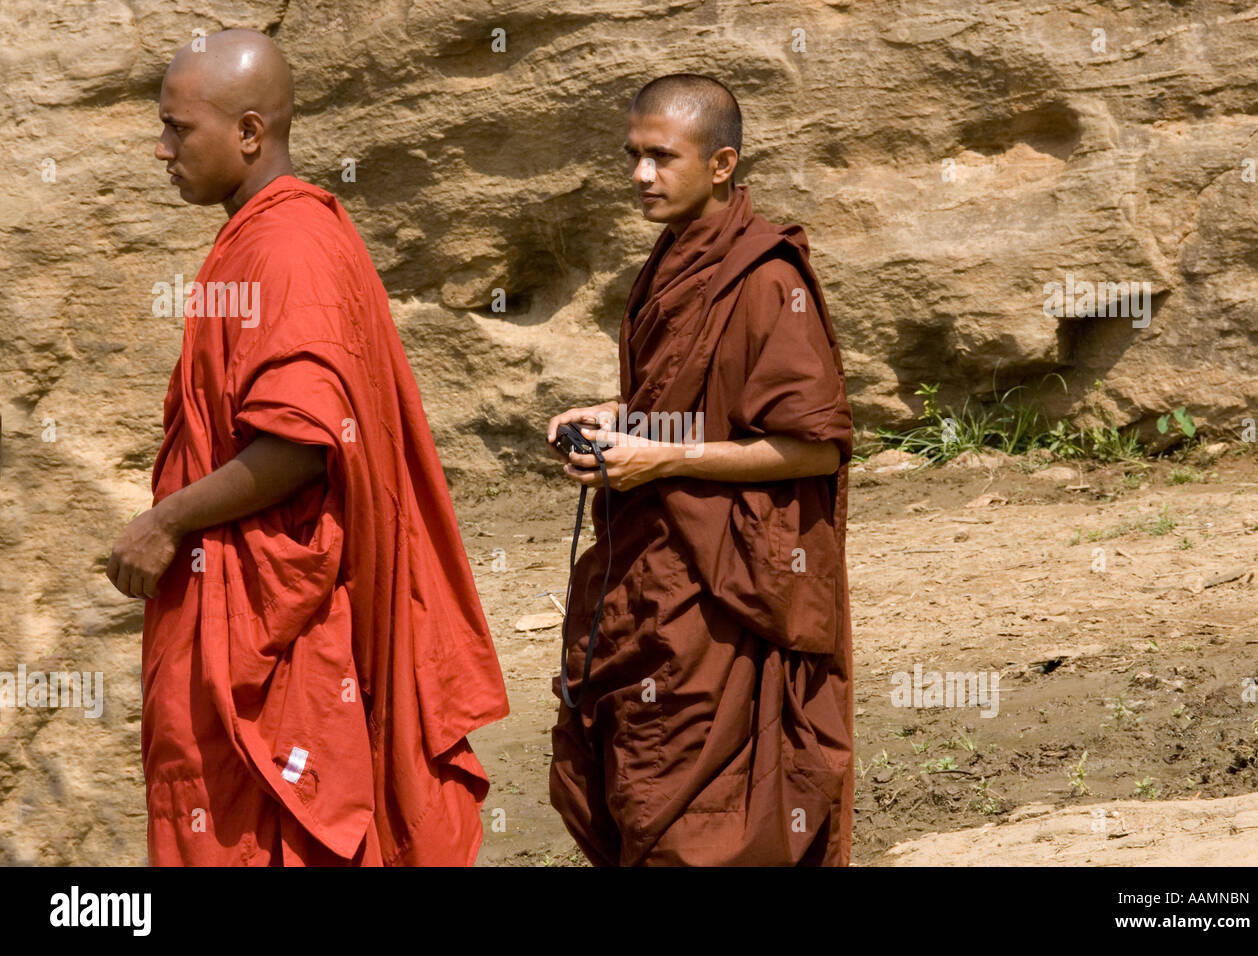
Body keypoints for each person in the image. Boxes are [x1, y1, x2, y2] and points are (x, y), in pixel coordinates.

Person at [106, 29, 508, 865]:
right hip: (233, 599)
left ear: (249, 133)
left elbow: (300, 445)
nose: (161, 149)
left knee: (267, 828)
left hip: (277, 619)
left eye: (179, 128)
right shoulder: (260, 234)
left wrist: (165, 521)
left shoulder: (287, 247)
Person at [546, 74, 855, 865]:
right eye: (633, 157)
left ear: (722, 164)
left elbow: (813, 445)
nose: (640, 176)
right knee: (631, 780)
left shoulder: (764, 278)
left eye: (661, 157)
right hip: (656, 571)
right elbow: (701, 403)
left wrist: (661, 457)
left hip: (728, 589)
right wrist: (620, 419)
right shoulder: (672, 259)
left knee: (704, 814)